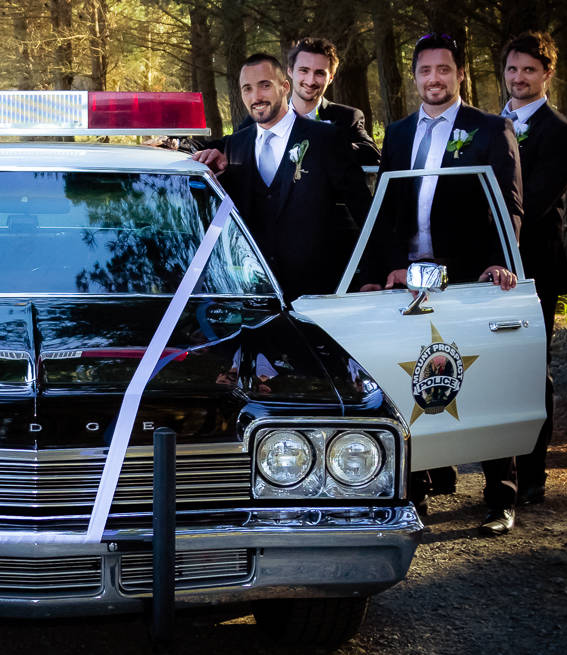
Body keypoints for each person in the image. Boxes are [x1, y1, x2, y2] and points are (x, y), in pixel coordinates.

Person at [362, 32, 525, 535]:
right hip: (409, 278)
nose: (434, 79)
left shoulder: (490, 129)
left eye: (444, 70)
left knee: (482, 383)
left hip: (469, 276)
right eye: (425, 71)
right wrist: (386, 267)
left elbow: (510, 207)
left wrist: (499, 261)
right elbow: (387, 209)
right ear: (414, 78)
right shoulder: (398, 132)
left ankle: (501, 496)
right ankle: (415, 496)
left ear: (460, 74)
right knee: (410, 380)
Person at [192, 53, 371, 297]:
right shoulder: (236, 145)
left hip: (322, 291)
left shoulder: (325, 139)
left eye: (265, 85)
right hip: (256, 293)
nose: (256, 97)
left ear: (285, 87)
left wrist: (376, 272)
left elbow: (364, 211)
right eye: (247, 89)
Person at [500, 31, 567, 505]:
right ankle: (497, 469)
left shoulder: (559, 133)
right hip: (483, 270)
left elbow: (537, 201)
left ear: (546, 73)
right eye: (512, 69)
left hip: (533, 268)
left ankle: (532, 474)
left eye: (529, 69)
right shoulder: (487, 125)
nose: (519, 78)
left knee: (531, 370)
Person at [199, 38, 380, 165]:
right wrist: (178, 143)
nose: (310, 80)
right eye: (303, 70)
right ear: (290, 72)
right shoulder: (262, 116)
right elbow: (225, 145)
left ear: (331, 78)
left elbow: (371, 154)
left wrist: (326, 142)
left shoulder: (347, 117)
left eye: (319, 73)